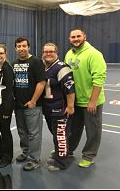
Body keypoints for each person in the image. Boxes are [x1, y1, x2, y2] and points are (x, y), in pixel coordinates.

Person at [64, 29, 106, 168]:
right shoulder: (69, 54)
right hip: (75, 101)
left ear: (84, 37)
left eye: (78, 36)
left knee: (92, 131)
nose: (76, 39)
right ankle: (68, 150)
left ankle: (89, 155)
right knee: (73, 129)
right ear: (69, 39)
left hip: (90, 102)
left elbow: (99, 79)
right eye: (73, 37)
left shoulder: (94, 54)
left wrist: (92, 101)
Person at [12, 37, 47, 171]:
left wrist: (33, 101)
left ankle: (34, 159)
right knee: (22, 132)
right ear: (15, 48)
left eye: (24, 46)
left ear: (29, 47)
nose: (21, 48)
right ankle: (25, 152)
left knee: (34, 133)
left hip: (33, 105)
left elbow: (41, 82)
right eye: (19, 46)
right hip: (19, 106)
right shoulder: (14, 63)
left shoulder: (36, 62)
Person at [41, 43, 75, 171]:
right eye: (46, 52)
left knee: (60, 135)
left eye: (51, 51)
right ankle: (58, 155)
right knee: (56, 134)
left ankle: (61, 162)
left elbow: (70, 89)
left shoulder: (62, 68)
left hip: (60, 109)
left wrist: (70, 106)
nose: (48, 54)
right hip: (49, 109)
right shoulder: (45, 67)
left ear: (57, 53)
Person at [0, 45, 15, 168]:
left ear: (5, 53)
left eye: (1, 53)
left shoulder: (7, 69)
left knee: (5, 131)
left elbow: (10, 90)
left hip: (5, 106)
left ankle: (7, 157)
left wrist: (7, 110)